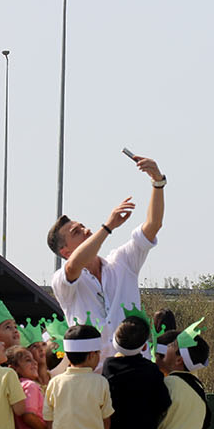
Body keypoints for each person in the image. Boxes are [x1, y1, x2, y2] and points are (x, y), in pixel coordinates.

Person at [47, 152, 166, 356]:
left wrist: (158, 182)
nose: (86, 231)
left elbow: (153, 226)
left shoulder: (121, 262)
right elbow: (73, 267)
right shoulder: (62, 281)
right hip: (94, 376)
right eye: (77, 232)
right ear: (65, 251)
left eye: (83, 226)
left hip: (135, 368)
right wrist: (108, 226)